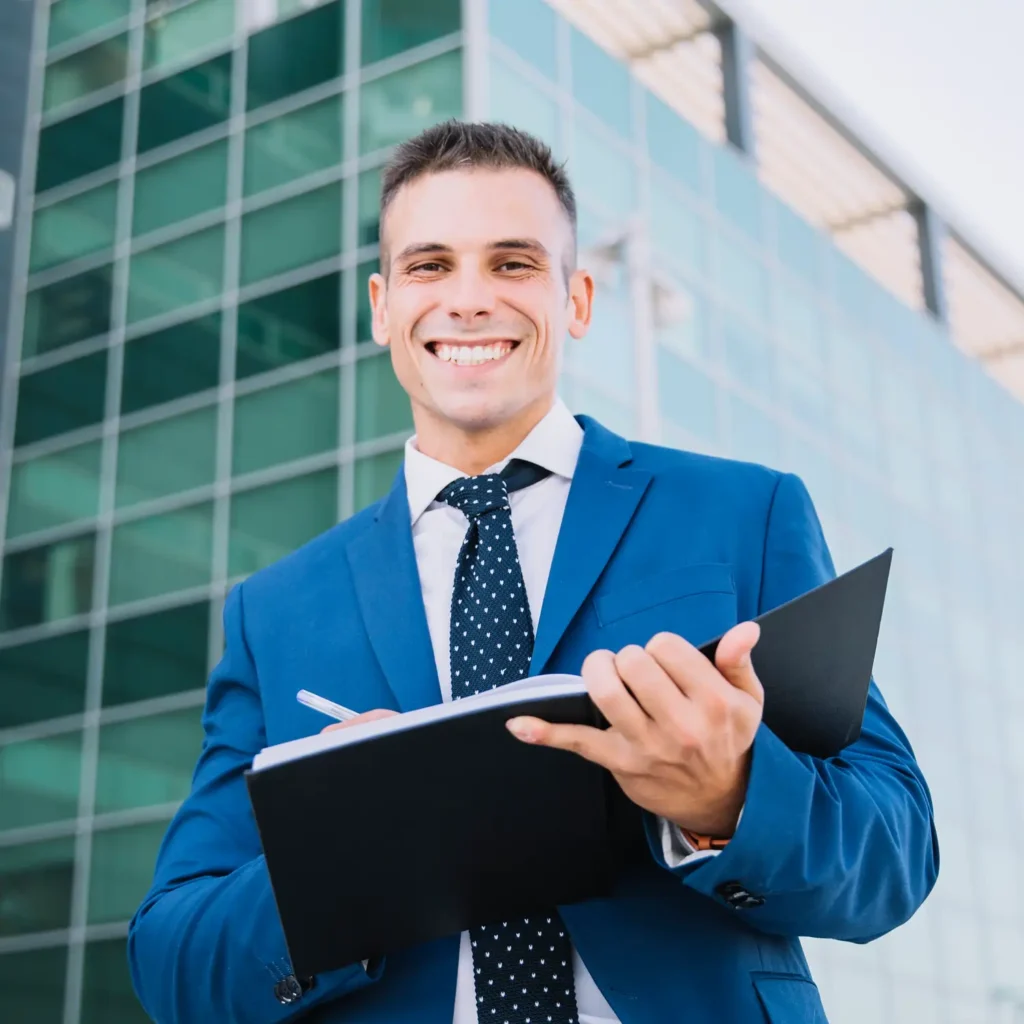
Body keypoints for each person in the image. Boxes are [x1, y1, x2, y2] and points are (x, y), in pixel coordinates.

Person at [128, 120, 939, 1023]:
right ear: (381, 307)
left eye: (512, 264)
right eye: (430, 266)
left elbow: (897, 850)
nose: (468, 300)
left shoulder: (742, 515)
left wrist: (731, 794)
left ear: (578, 300)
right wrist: (343, 857)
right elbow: (173, 965)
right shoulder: (274, 614)